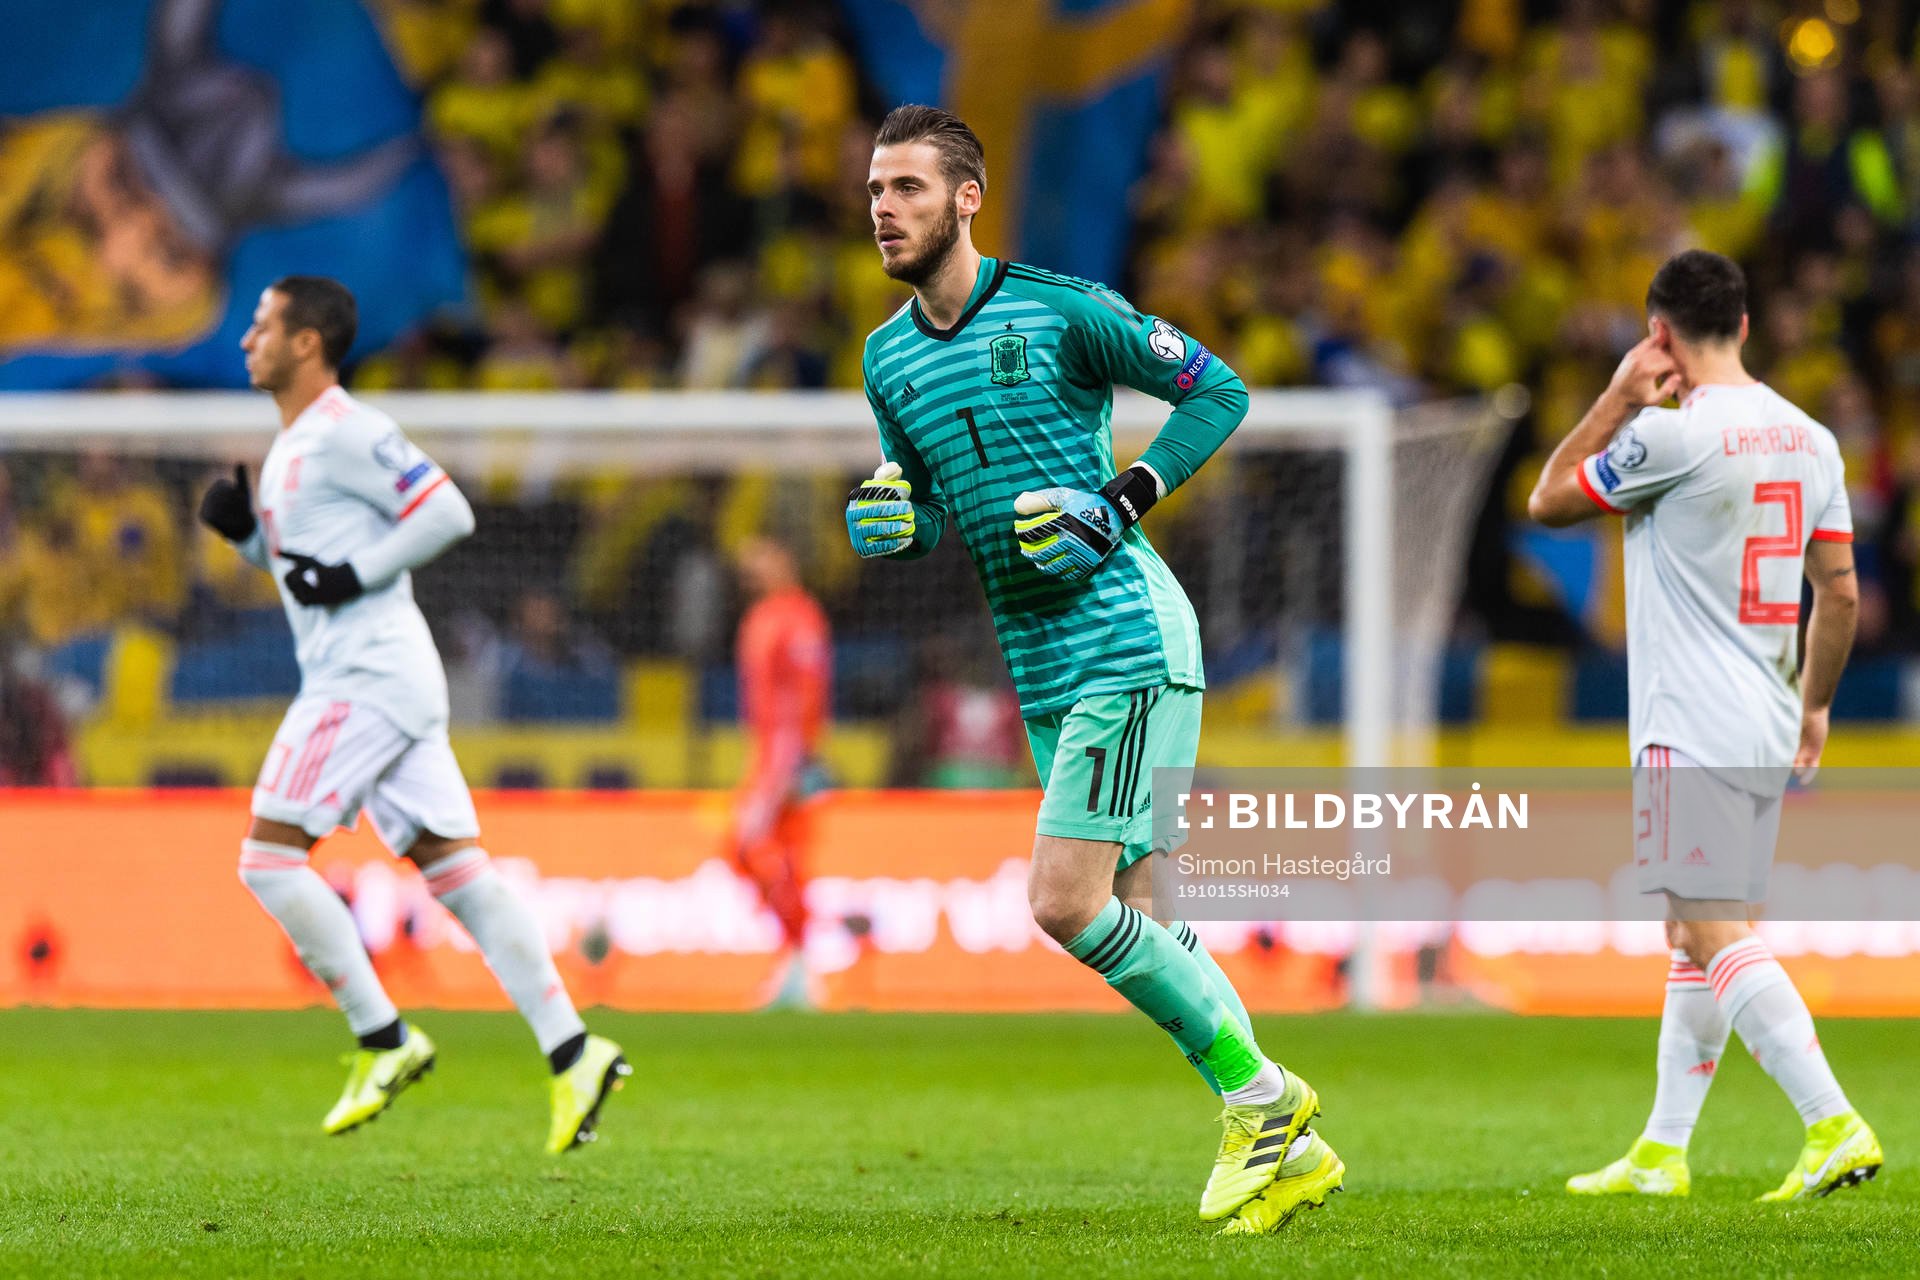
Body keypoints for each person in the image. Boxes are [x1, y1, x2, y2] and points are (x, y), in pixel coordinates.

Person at [846, 105, 1339, 1235]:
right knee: (1137, 907)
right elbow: (921, 505)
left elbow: (1218, 389)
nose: (885, 208)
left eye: (910, 188)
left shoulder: (1060, 309)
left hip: (1127, 632)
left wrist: (1120, 499)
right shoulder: (885, 360)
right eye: (876, 189)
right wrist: (895, 523)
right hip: (1039, 662)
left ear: (967, 198)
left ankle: (1263, 1097)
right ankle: (1293, 1146)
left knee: (1063, 902)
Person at [198, 275, 627, 1153]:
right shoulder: (291, 448)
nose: (247, 340)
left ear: (307, 342)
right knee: (457, 872)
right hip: (380, 677)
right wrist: (248, 540)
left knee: (269, 858)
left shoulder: (351, 430)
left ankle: (383, 1038)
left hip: (364, 679)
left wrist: (355, 576)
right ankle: (576, 1052)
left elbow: (446, 511)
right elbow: (313, 572)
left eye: (262, 325)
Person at [1529, 249, 1881, 1201]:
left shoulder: (1670, 437)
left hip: (1690, 720)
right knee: (1694, 934)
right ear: (1747, 326)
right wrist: (1814, 703)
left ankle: (1832, 1122)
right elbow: (1840, 595)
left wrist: (1614, 400)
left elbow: (1550, 500)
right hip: (1768, 713)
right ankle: (1662, 1151)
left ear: (1658, 336)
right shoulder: (1813, 440)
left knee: (1714, 927)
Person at [730, 537, 832, 1009]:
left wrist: (801, 758)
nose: (750, 567)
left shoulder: (799, 617)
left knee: (745, 845)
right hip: (766, 753)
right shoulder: (762, 616)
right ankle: (797, 963)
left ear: (784, 558)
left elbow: (809, 692)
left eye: (760, 555)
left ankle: (799, 960)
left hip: (785, 757)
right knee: (779, 857)